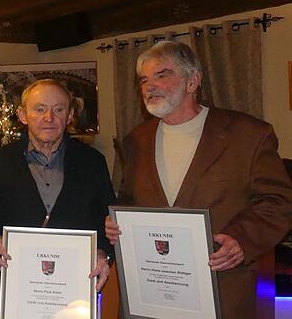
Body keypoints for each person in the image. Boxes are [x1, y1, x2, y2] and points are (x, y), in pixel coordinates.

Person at [105, 40, 292, 319]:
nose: (149, 86)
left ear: (193, 81)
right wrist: (117, 221)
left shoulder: (248, 134)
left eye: (162, 75)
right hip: (152, 290)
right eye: (144, 79)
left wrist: (242, 239)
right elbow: (129, 198)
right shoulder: (136, 140)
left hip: (222, 287)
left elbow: (279, 201)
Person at [0, 79, 116, 291]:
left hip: (75, 282)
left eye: (58, 109)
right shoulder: (0, 161)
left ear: (69, 116)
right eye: (39, 109)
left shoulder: (93, 161)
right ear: (22, 115)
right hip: (17, 281)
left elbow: (108, 220)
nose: (49, 118)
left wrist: (103, 252)